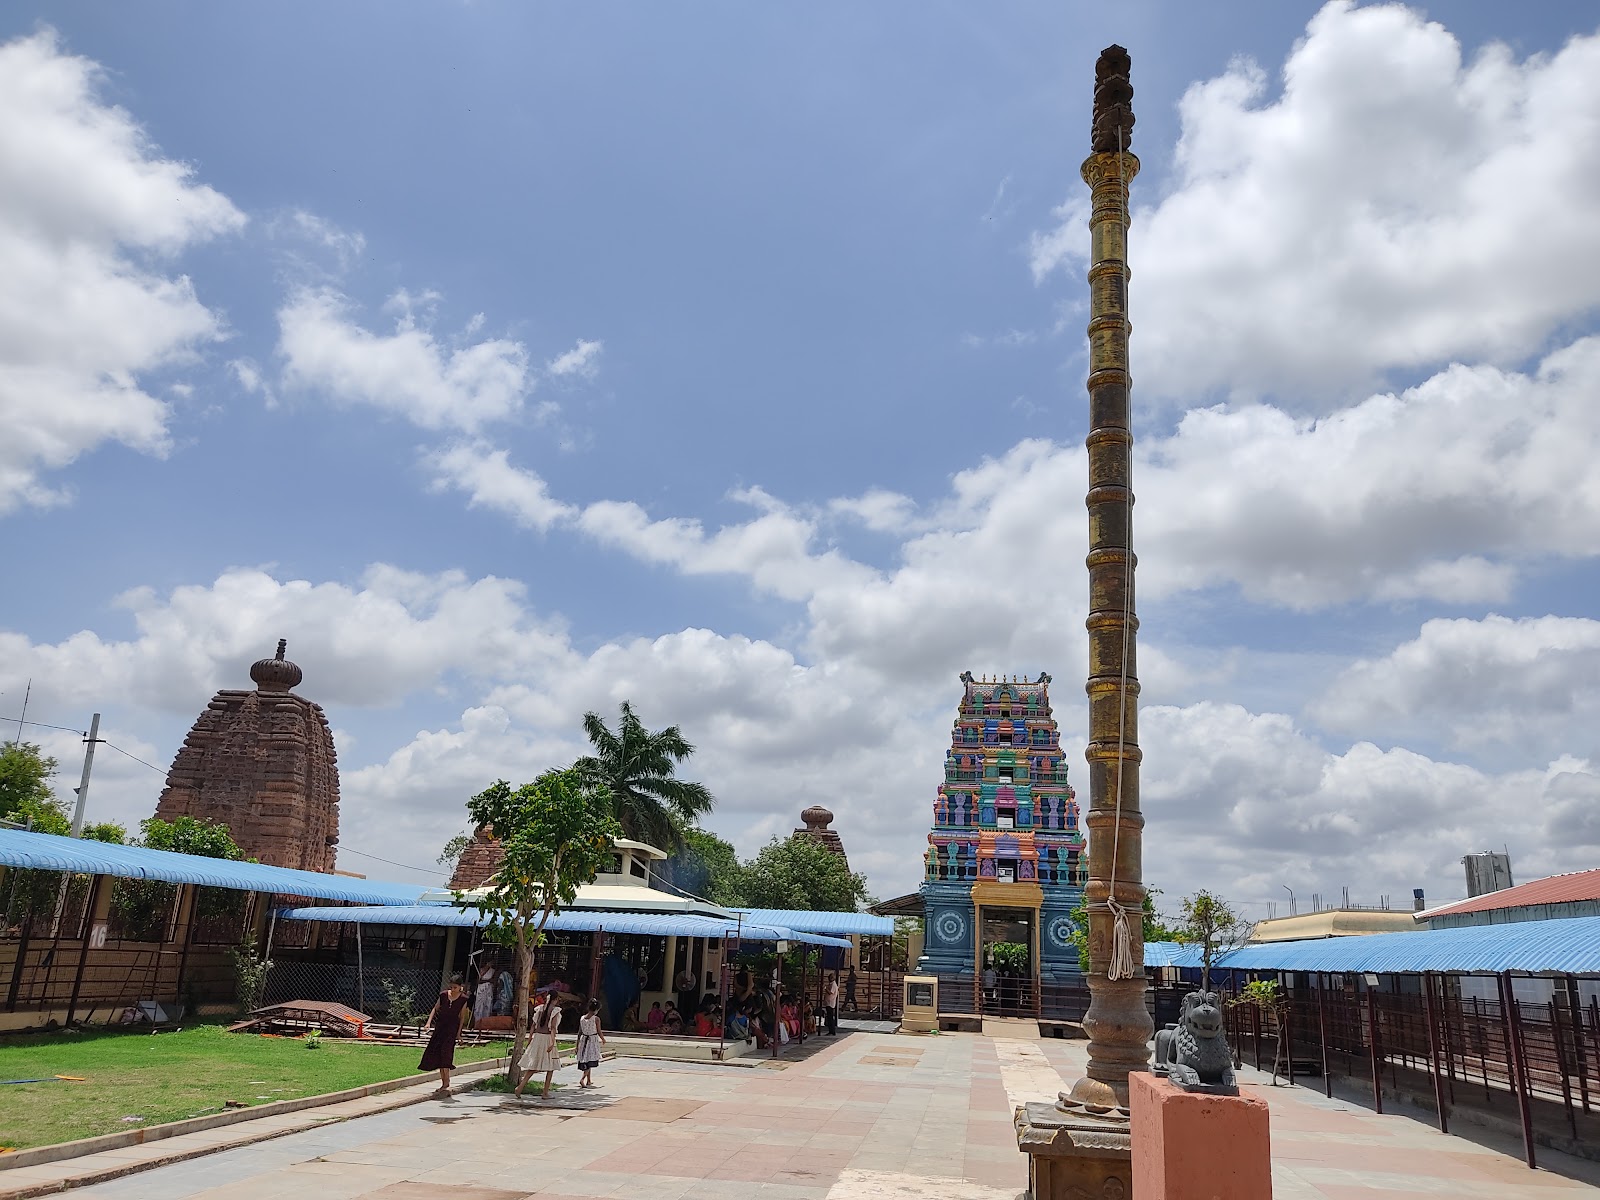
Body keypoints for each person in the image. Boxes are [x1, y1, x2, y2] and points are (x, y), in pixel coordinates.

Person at [418, 976, 469, 1095]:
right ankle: (444, 1082)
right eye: (451, 986)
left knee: (446, 1053)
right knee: (437, 1053)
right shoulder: (444, 995)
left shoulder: (463, 999)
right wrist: (428, 1022)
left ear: (460, 987)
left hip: (451, 1029)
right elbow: (435, 1009)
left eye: (455, 987)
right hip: (440, 1027)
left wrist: (459, 1034)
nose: (453, 989)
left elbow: (461, 1018)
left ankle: (446, 1082)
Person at [514, 993, 564, 1100]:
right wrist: (552, 1042)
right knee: (551, 1067)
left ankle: (520, 1087)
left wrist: (530, 1038)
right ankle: (545, 1092)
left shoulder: (540, 1009)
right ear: (555, 1000)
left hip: (537, 1038)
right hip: (547, 1038)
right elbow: (553, 1028)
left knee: (533, 1066)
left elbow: (533, 1025)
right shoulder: (555, 1011)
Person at [575, 998, 605, 1089]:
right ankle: (582, 1079)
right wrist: (603, 1039)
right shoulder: (596, 1019)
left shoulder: (582, 1018)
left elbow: (579, 1032)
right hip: (592, 1040)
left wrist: (577, 1045)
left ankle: (588, 1080)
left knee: (587, 1059)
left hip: (584, 1040)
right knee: (590, 1061)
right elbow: (599, 1031)